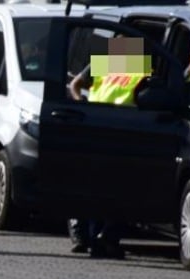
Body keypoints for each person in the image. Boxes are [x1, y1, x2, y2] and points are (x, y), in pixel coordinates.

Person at [67, 37, 152, 259]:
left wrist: (80, 105)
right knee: (122, 186)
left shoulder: (108, 61)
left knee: (96, 183)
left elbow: (75, 84)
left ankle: (90, 236)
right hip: (124, 128)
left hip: (96, 123)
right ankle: (104, 238)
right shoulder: (141, 65)